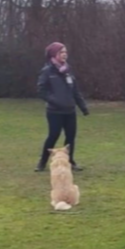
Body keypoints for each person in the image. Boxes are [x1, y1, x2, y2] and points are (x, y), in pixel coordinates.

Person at [35, 42, 89, 172]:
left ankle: (69, 161)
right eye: (61, 52)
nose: (64, 54)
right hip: (54, 111)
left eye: (65, 52)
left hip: (70, 111)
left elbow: (75, 91)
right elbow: (41, 90)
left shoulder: (68, 70)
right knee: (53, 135)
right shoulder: (47, 71)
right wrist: (55, 101)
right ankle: (42, 162)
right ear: (54, 54)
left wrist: (83, 106)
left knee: (70, 137)